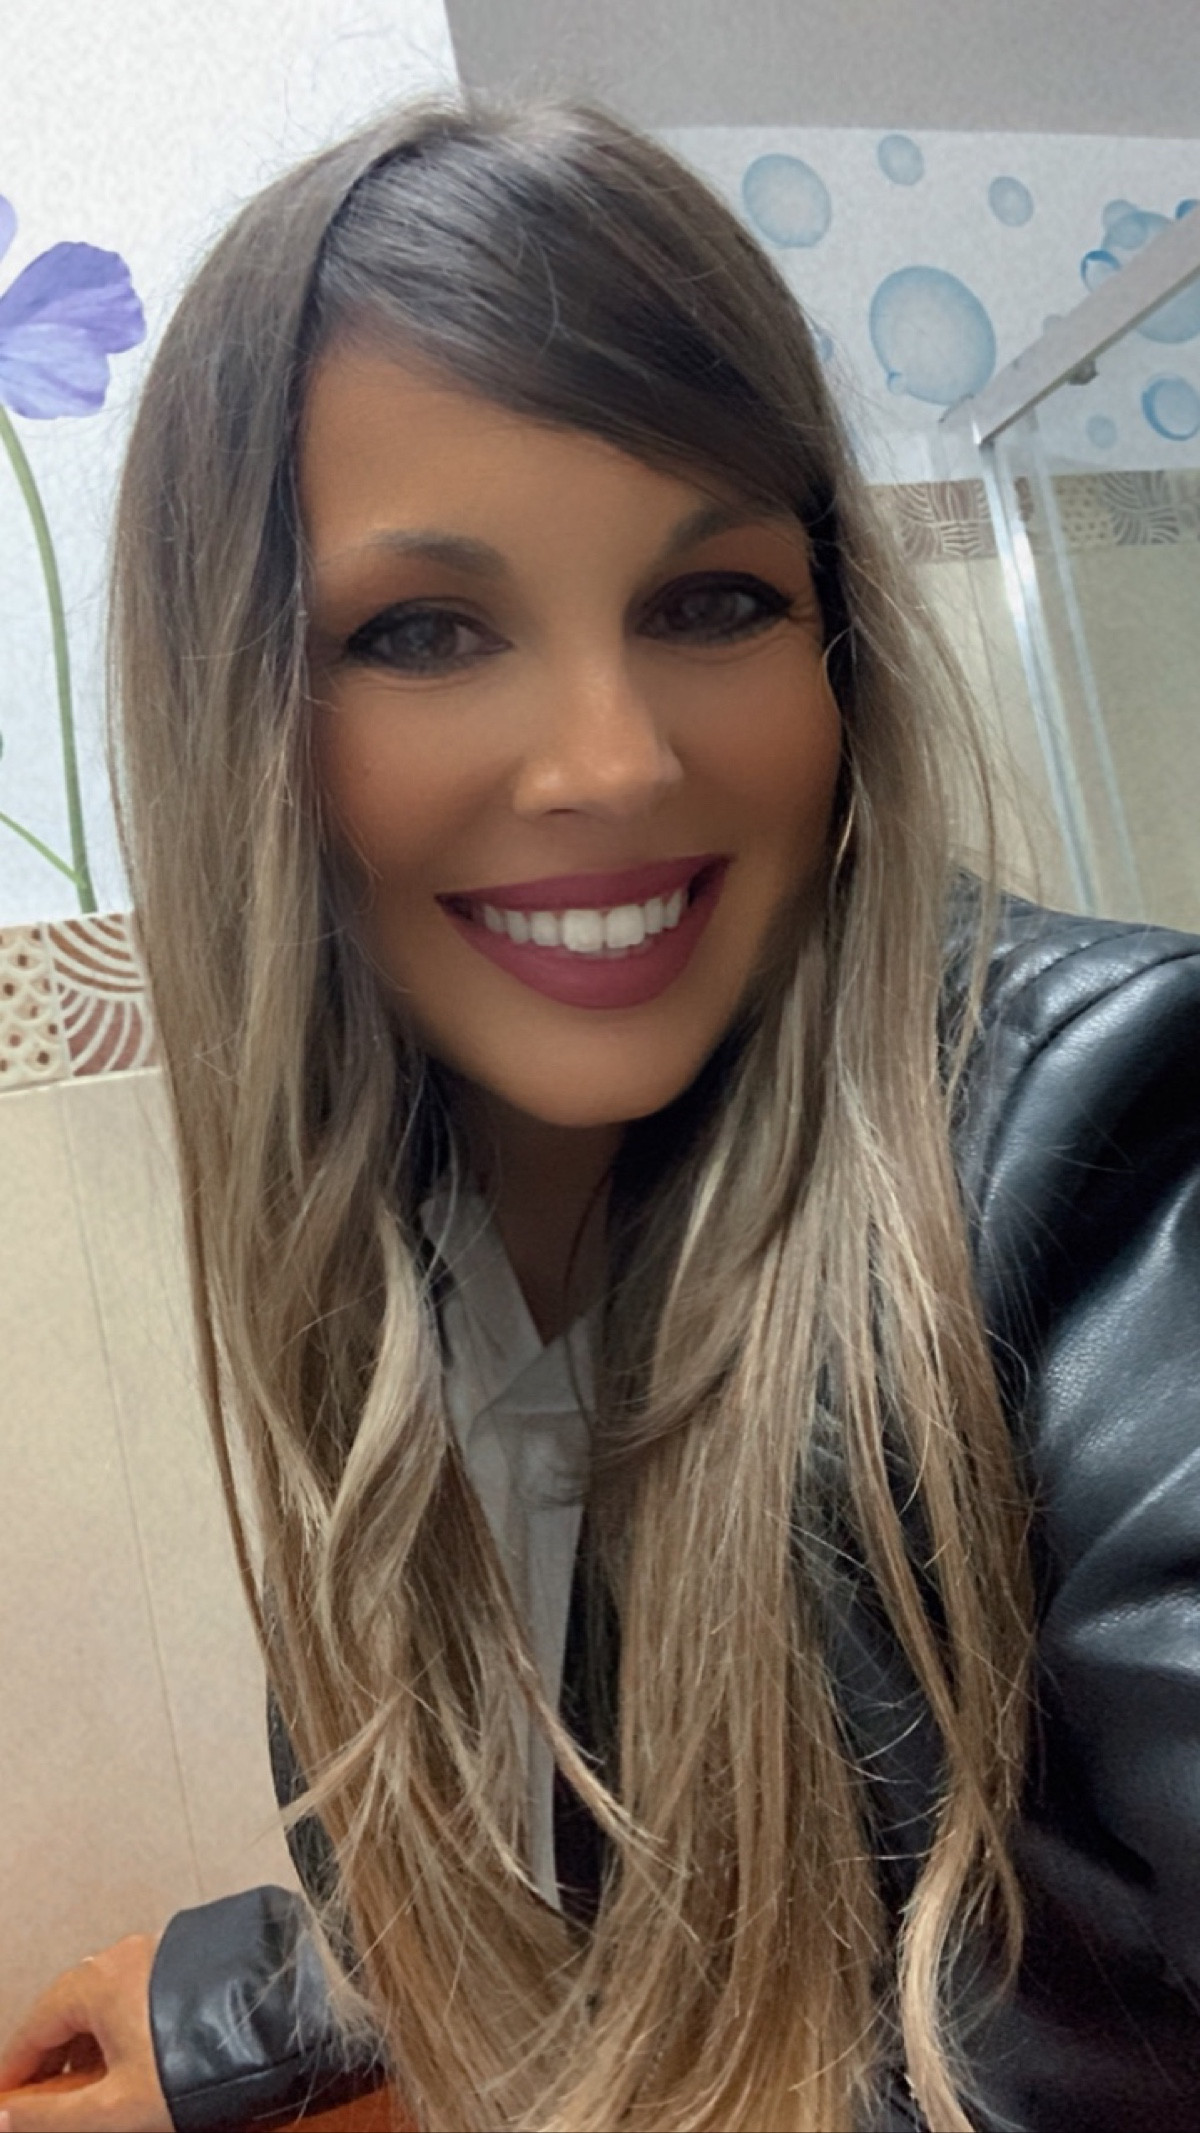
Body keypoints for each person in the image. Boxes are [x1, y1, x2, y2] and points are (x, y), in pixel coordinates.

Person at [1, 93, 1198, 2133]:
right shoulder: (451, 1238)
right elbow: (631, 1843)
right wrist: (234, 2006)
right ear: (248, 725)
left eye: (711, 599)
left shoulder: (1118, 1159)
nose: (613, 760)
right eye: (427, 630)